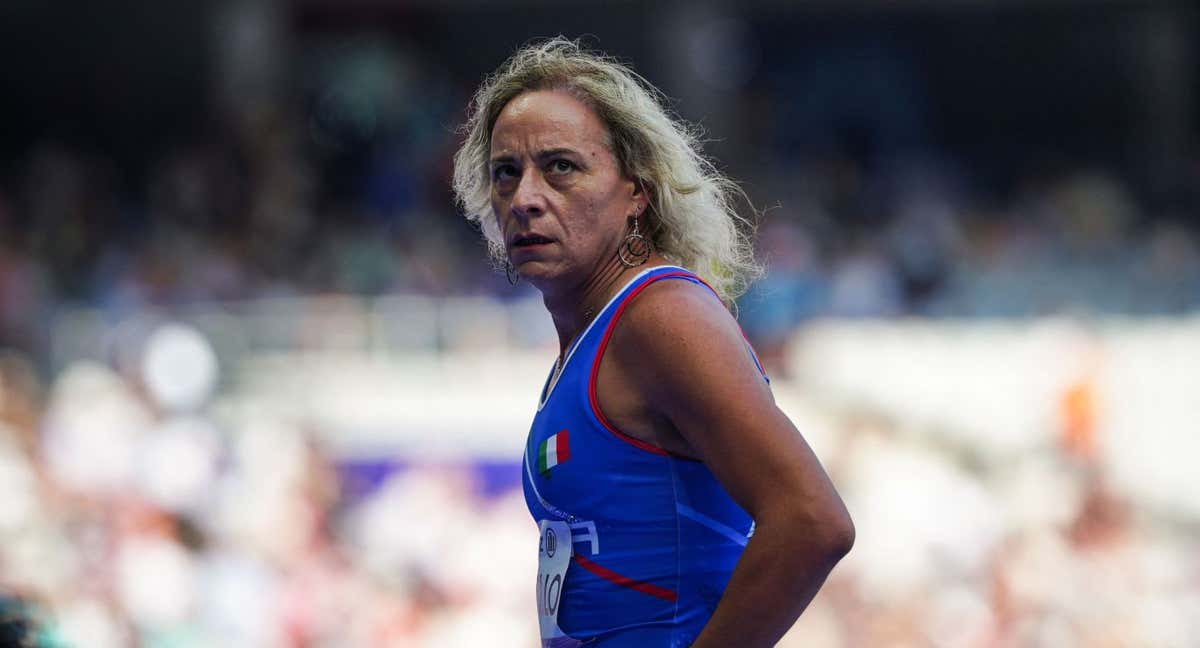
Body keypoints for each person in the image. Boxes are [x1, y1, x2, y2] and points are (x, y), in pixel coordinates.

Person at [452, 38, 854, 647]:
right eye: (506, 173)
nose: (525, 198)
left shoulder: (661, 318)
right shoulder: (592, 334)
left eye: (561, 166)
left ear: (637, 189)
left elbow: (812, 521)